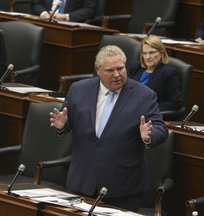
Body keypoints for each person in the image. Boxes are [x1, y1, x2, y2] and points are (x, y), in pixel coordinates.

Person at [50, 45, 168, 211]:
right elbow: (67, 121)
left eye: (120, 68)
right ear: (98, 70)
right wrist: (62, 126)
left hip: (123, 188)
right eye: (110, 70)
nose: (117, 74)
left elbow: (160, 129)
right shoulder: (79, 90)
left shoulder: (144, 95)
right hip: (82, 182)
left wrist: (149, 135)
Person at [129, 35, 182, 112]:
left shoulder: (168, 72)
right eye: (144, 53)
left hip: (147, 115)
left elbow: (175, 103)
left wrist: (148, 108)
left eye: (151, 53)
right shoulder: (135, 67)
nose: (147, 57)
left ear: (162, 53)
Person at [32, 0, 98, 22]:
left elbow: (89, 10)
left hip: (70, 26)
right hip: (45, 22)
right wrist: (44, 14)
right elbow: (36, 3)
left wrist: (65, 16)